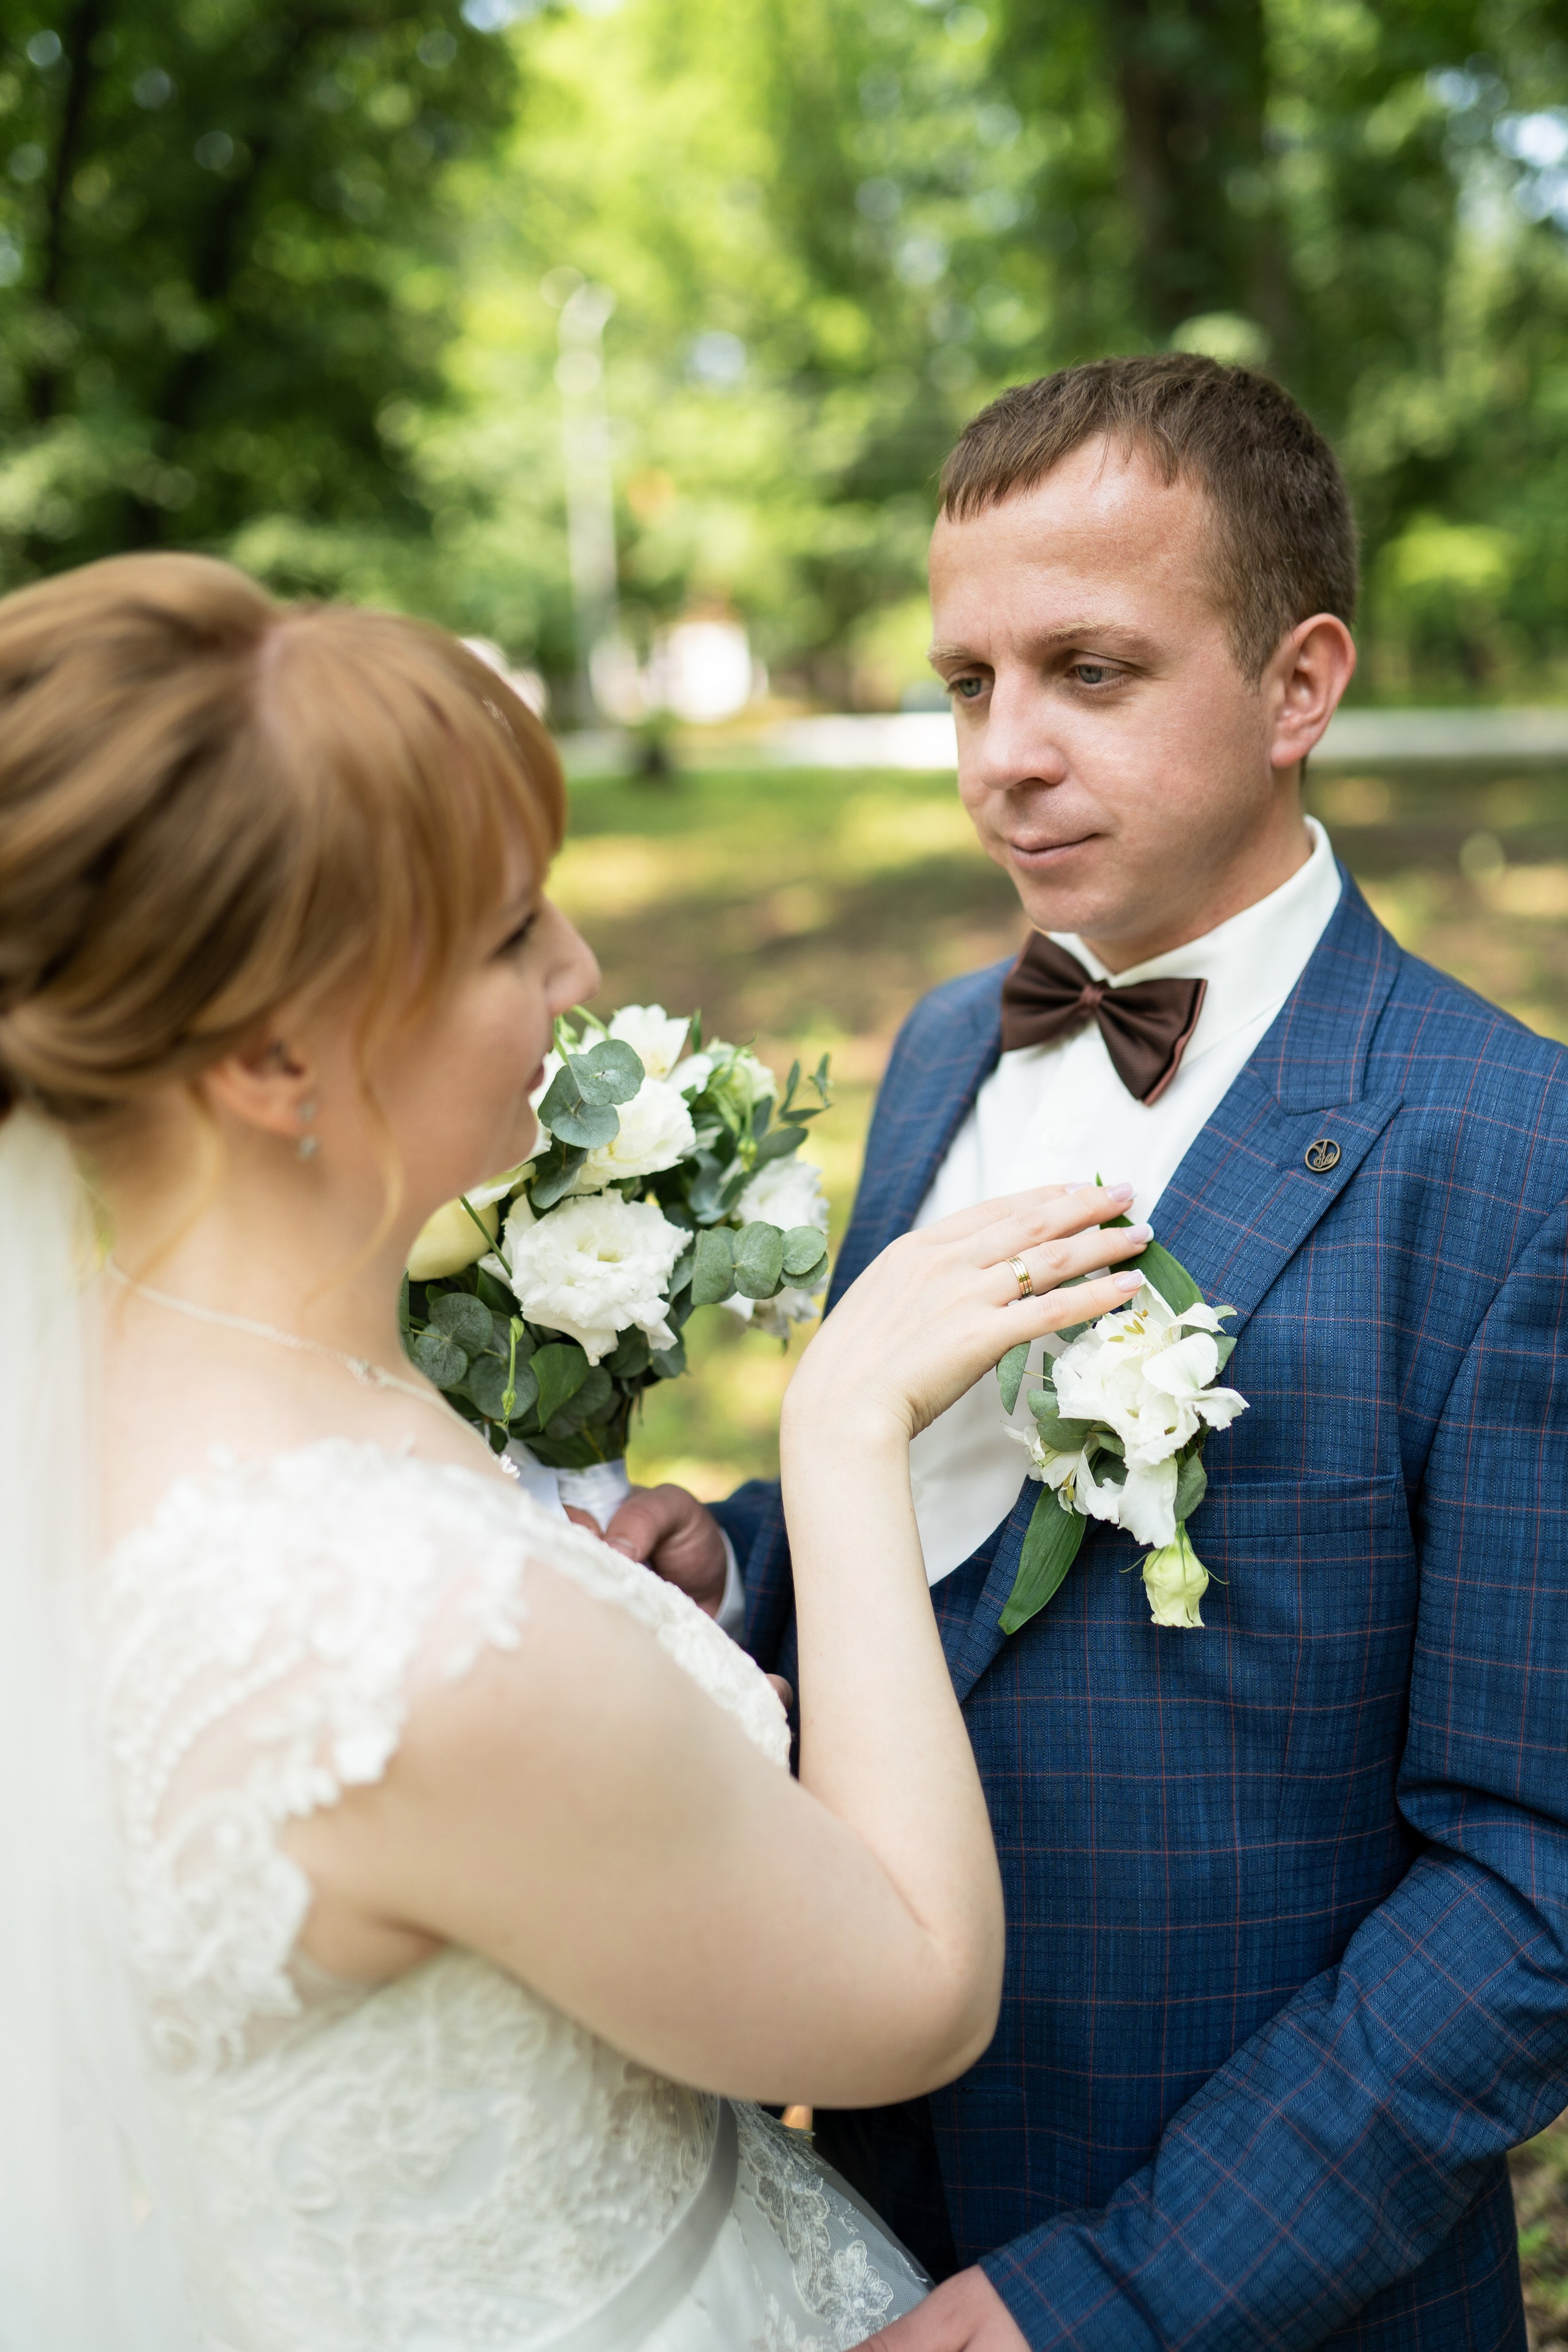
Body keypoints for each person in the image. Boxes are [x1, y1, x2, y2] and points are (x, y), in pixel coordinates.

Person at [0, 549, 1159, 2352]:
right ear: (267, 1058)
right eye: (506, 933)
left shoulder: (123, 1404)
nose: (580, 965)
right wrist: (844, 1435)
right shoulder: (402, 1643)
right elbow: (916, 1992)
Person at [604, 356, 1568, 2351]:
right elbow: (938, 1547)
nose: (1001, 758)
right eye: (969, 682)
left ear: (1300, 686)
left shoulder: (1513, 1162)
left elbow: (1533, 1889)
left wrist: (1117, 2300)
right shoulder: (961, 1041)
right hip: (870, 2171)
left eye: (1090, 673)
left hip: (1261, 2274)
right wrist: (747, 1567)